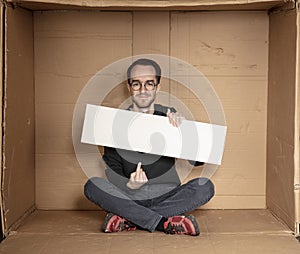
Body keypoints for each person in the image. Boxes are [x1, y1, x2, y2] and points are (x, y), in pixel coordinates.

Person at [84, 58, 215, 236]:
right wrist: (129, 184)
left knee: (205, 186)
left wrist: (184, 133)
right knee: (92, 186)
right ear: (129, 88)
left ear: (157, 87)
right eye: (137, 84)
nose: (143, 90)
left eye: (149, 84)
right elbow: (111, 169)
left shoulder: (169, 116)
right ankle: (163, 223)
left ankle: (130, 219)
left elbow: (198, 161)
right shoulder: (116, 123)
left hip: (168, 196)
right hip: (129, 197)